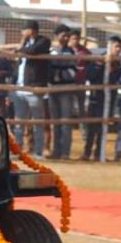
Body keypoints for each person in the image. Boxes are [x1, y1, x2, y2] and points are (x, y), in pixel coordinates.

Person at [11, 20, 51, 158]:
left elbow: (33, 51)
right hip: (19, 88)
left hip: (34, 88)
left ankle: (38, 152)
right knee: (19, 122)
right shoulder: (25, 44)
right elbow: (18, 65)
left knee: (37, 122)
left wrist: (20, 48)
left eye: (24, 30)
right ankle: (17, 150)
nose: (22, 33)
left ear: (31, 30)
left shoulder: (43, 41)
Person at [81, 35, 121, 161]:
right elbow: (90, 76)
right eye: (116, 46)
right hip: (96, 97)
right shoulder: (98, 59)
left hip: (109, 98)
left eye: (120, 47)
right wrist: (100, 64)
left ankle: (99, 153)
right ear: (110, 46)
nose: (118, 50)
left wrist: (111, 68)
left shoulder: (118, 63)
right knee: (92, 127)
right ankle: (87, 152)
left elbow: (115, 78)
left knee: (103, 127)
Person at [47, 24, 76, 159]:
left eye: (68, 36)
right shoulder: (51, 51)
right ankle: (56, 150)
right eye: (64, 35)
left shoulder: (70, 52)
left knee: (65, 121)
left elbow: (72, 71)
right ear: (56, 36)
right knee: (55, 121)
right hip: (53, 88)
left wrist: (58, 73)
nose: (66, 38)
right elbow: (48, 68)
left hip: (66, 89)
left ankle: (65, 152)